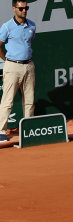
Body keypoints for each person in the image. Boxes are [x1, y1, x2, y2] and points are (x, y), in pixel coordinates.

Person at [0, 0, 36, 142]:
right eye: (21, 8)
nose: (24, 11)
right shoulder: (7, 27)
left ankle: (29, 130)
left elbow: (29, 43)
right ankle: (1, 132)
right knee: (7, 101)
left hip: (29, 66)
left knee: (29, 101)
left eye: (26, 8)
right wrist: (7, 60)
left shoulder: (32, 25)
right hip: (12, 66)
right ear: (14, 8)